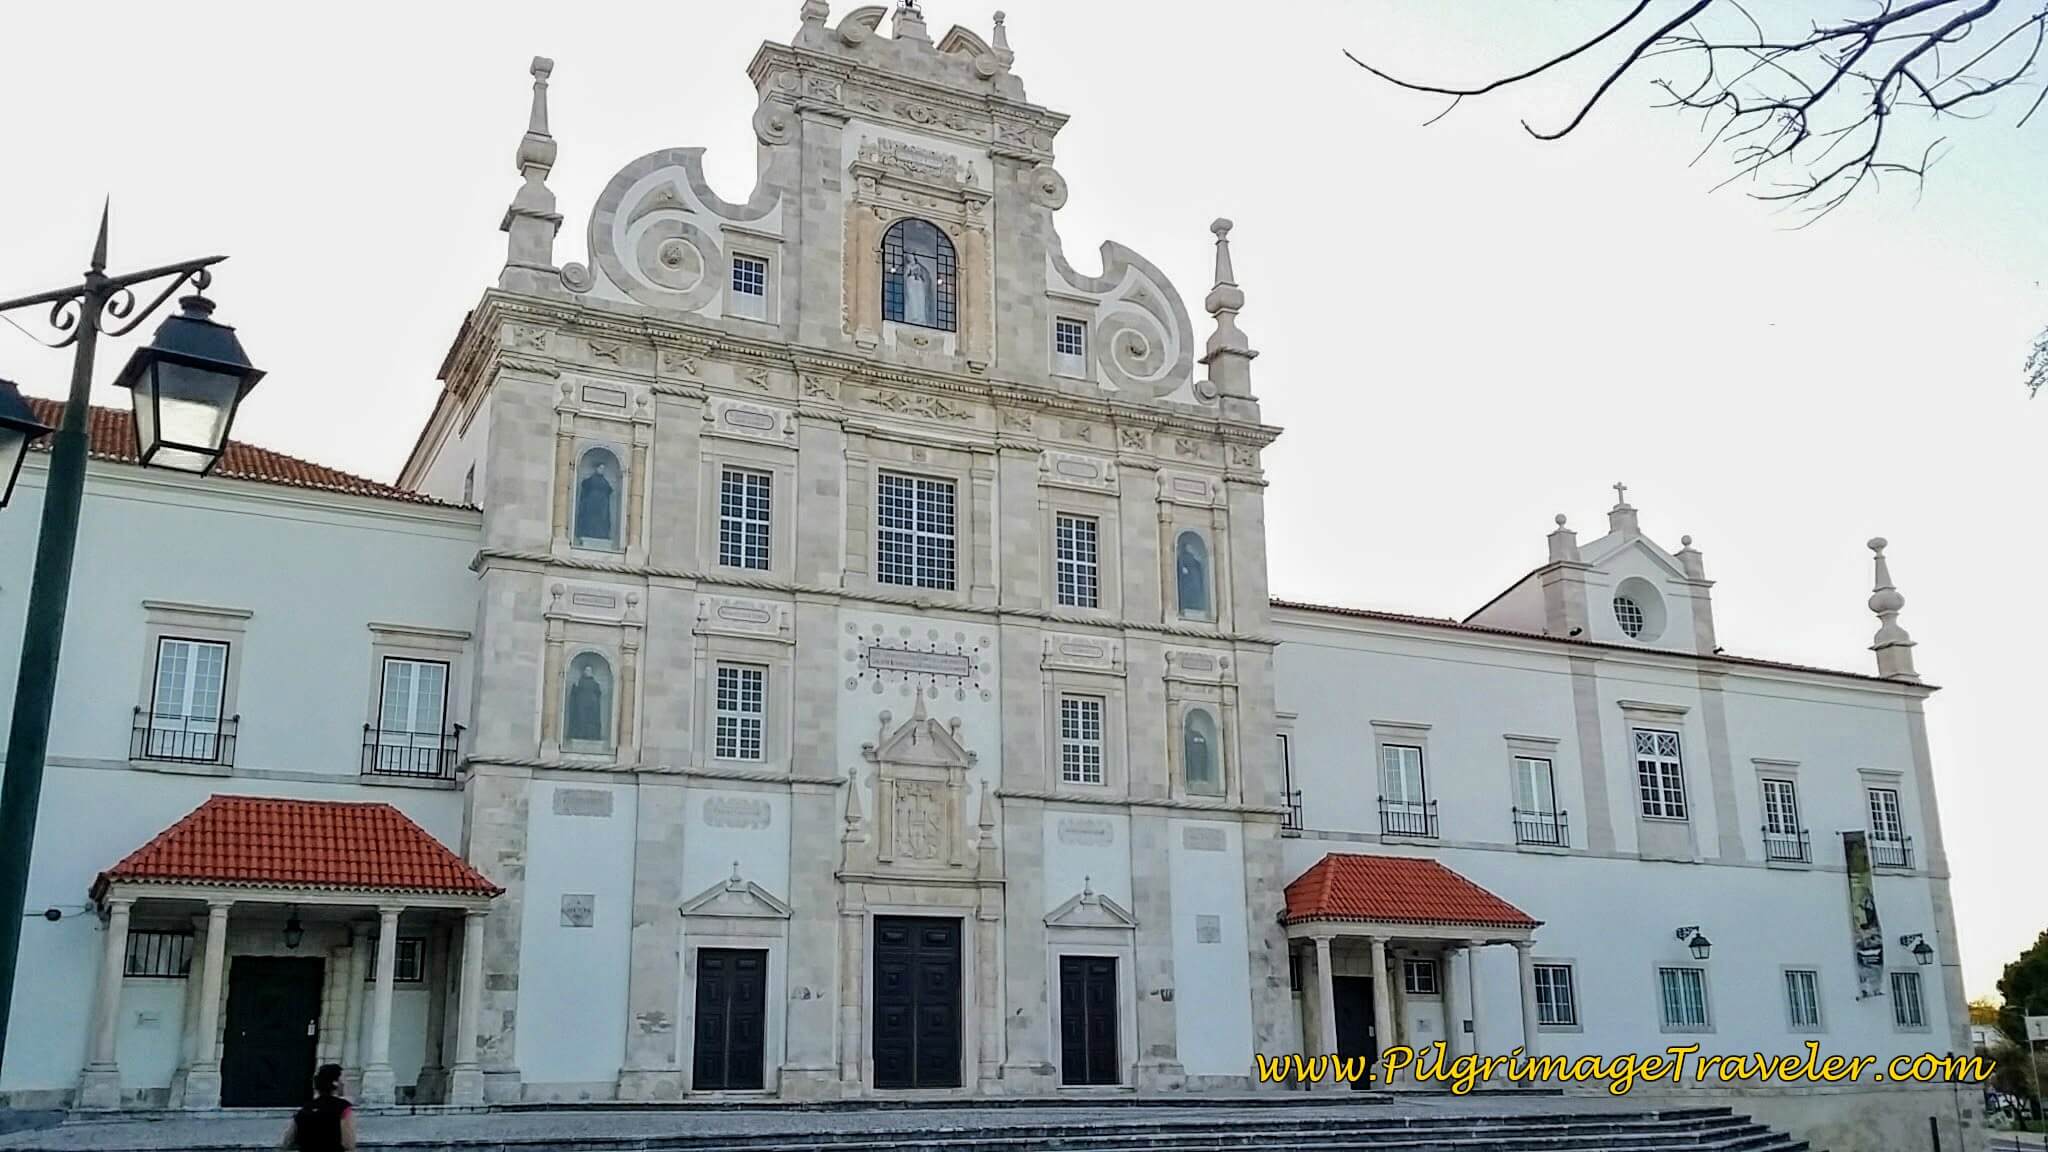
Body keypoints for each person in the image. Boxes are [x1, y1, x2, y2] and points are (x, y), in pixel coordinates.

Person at [279, 1063, 355, 1151]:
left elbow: (287, 1142)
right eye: (342, 1080)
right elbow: (348, 1144)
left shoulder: (306, 1108)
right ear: (335, 1083)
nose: (344, 1083)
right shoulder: (343, 1108)